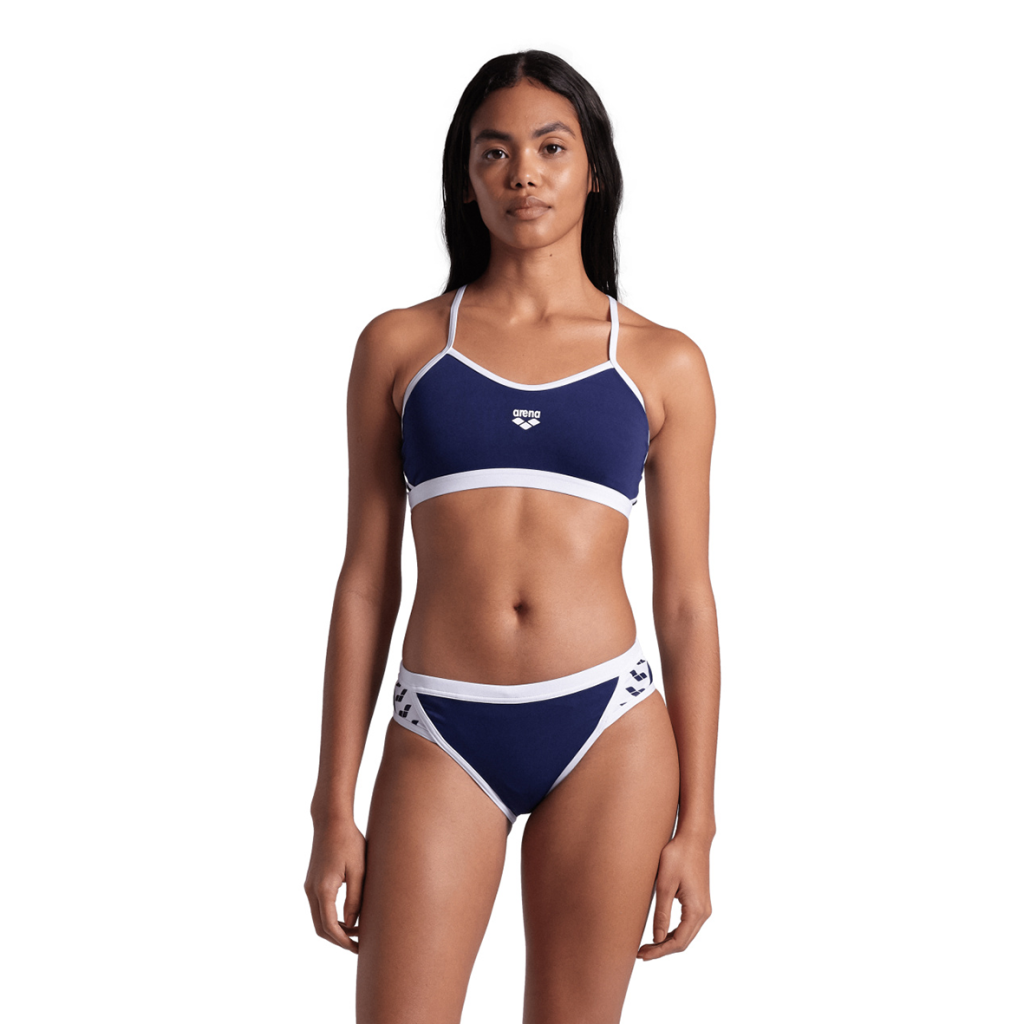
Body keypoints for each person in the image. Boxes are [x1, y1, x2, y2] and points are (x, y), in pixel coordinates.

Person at [304, 49, 720, 1023]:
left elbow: (686, 602)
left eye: (549, 147)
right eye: (493, 152)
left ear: (594, 169)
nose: (522, 173)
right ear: (466, 177)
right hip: (441, 726)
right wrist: (332, 806)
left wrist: (698, 824)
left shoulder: (662, 363)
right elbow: (365, 581)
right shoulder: (402, 347)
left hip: (608, 727)